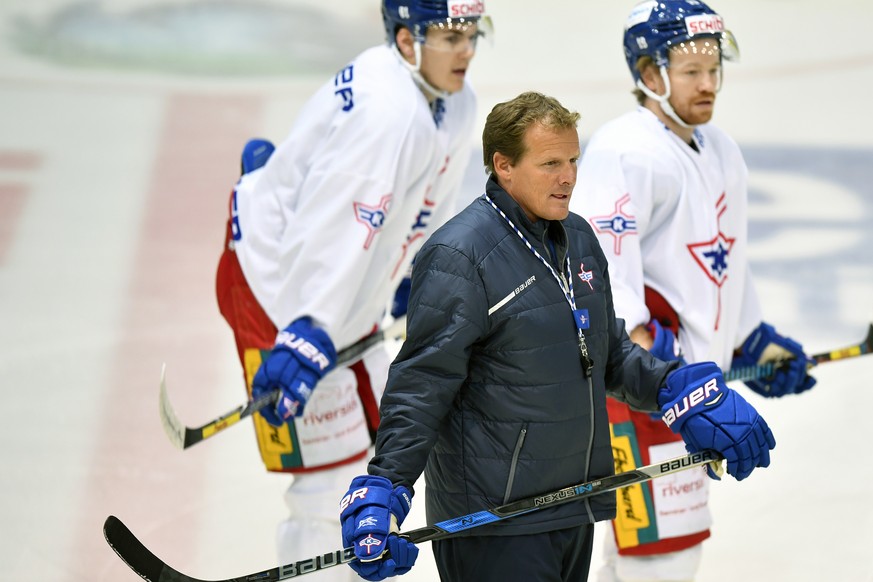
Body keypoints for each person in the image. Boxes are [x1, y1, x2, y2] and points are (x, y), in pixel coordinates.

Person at [338, 91, 776, 582]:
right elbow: (423, 383)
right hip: (493, 523)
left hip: (571, 504)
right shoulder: (460, 255)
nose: (568, 176)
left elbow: (606, 353)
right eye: (550, 163)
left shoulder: (580, 239)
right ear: (504, 166)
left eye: (572, 160)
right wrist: (387, 485)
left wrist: (678, 390)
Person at [214, 1, 489, 576]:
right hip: (279, 297)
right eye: (449, 35)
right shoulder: (386, 113)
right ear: (408, 39)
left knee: (384, 447)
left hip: (344, 292)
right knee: (328, 489)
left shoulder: (451, 103)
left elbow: (416, 205)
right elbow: (329, 227)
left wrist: (408, 275)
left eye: (471, 34)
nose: (465, 49)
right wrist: (306, 327)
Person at [569, 2, 818, 581]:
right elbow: (602, 279)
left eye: (713, 67)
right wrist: (663, 378)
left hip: (689, 387)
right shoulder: (623, 152)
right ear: (651, 75)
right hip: (643, 392)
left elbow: (722, 263)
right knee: (663, 557)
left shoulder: (720, 149)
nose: (708, 83)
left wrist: (752, 340)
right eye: (691, 70)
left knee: (642, 559)